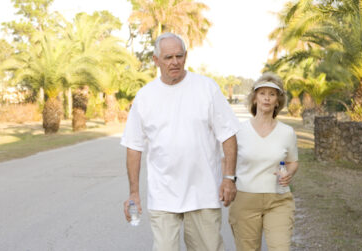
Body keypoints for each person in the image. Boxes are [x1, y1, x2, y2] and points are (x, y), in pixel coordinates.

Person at [121, 32, 240, 251]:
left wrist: (229, 178)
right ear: (156, 60)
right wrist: (134, 193)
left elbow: (228, 135)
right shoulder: (145, 97)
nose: (175, 62)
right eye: (168, 57)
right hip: (163, 196)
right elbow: (134, 147)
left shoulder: (207, 88)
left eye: (179, 56)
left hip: (203, 194)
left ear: (186, 56)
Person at [228, 72, 298, 251]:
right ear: (254, 98)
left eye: (272, 94)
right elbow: (226, 161)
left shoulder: (287, 132)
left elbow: (292, 162)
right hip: (245, 200)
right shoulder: (238, 130)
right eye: (262, 93)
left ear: (277, 101)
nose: (267, 98)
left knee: (280, 247)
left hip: (279, 200)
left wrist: (289, 173)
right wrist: (226, 182)